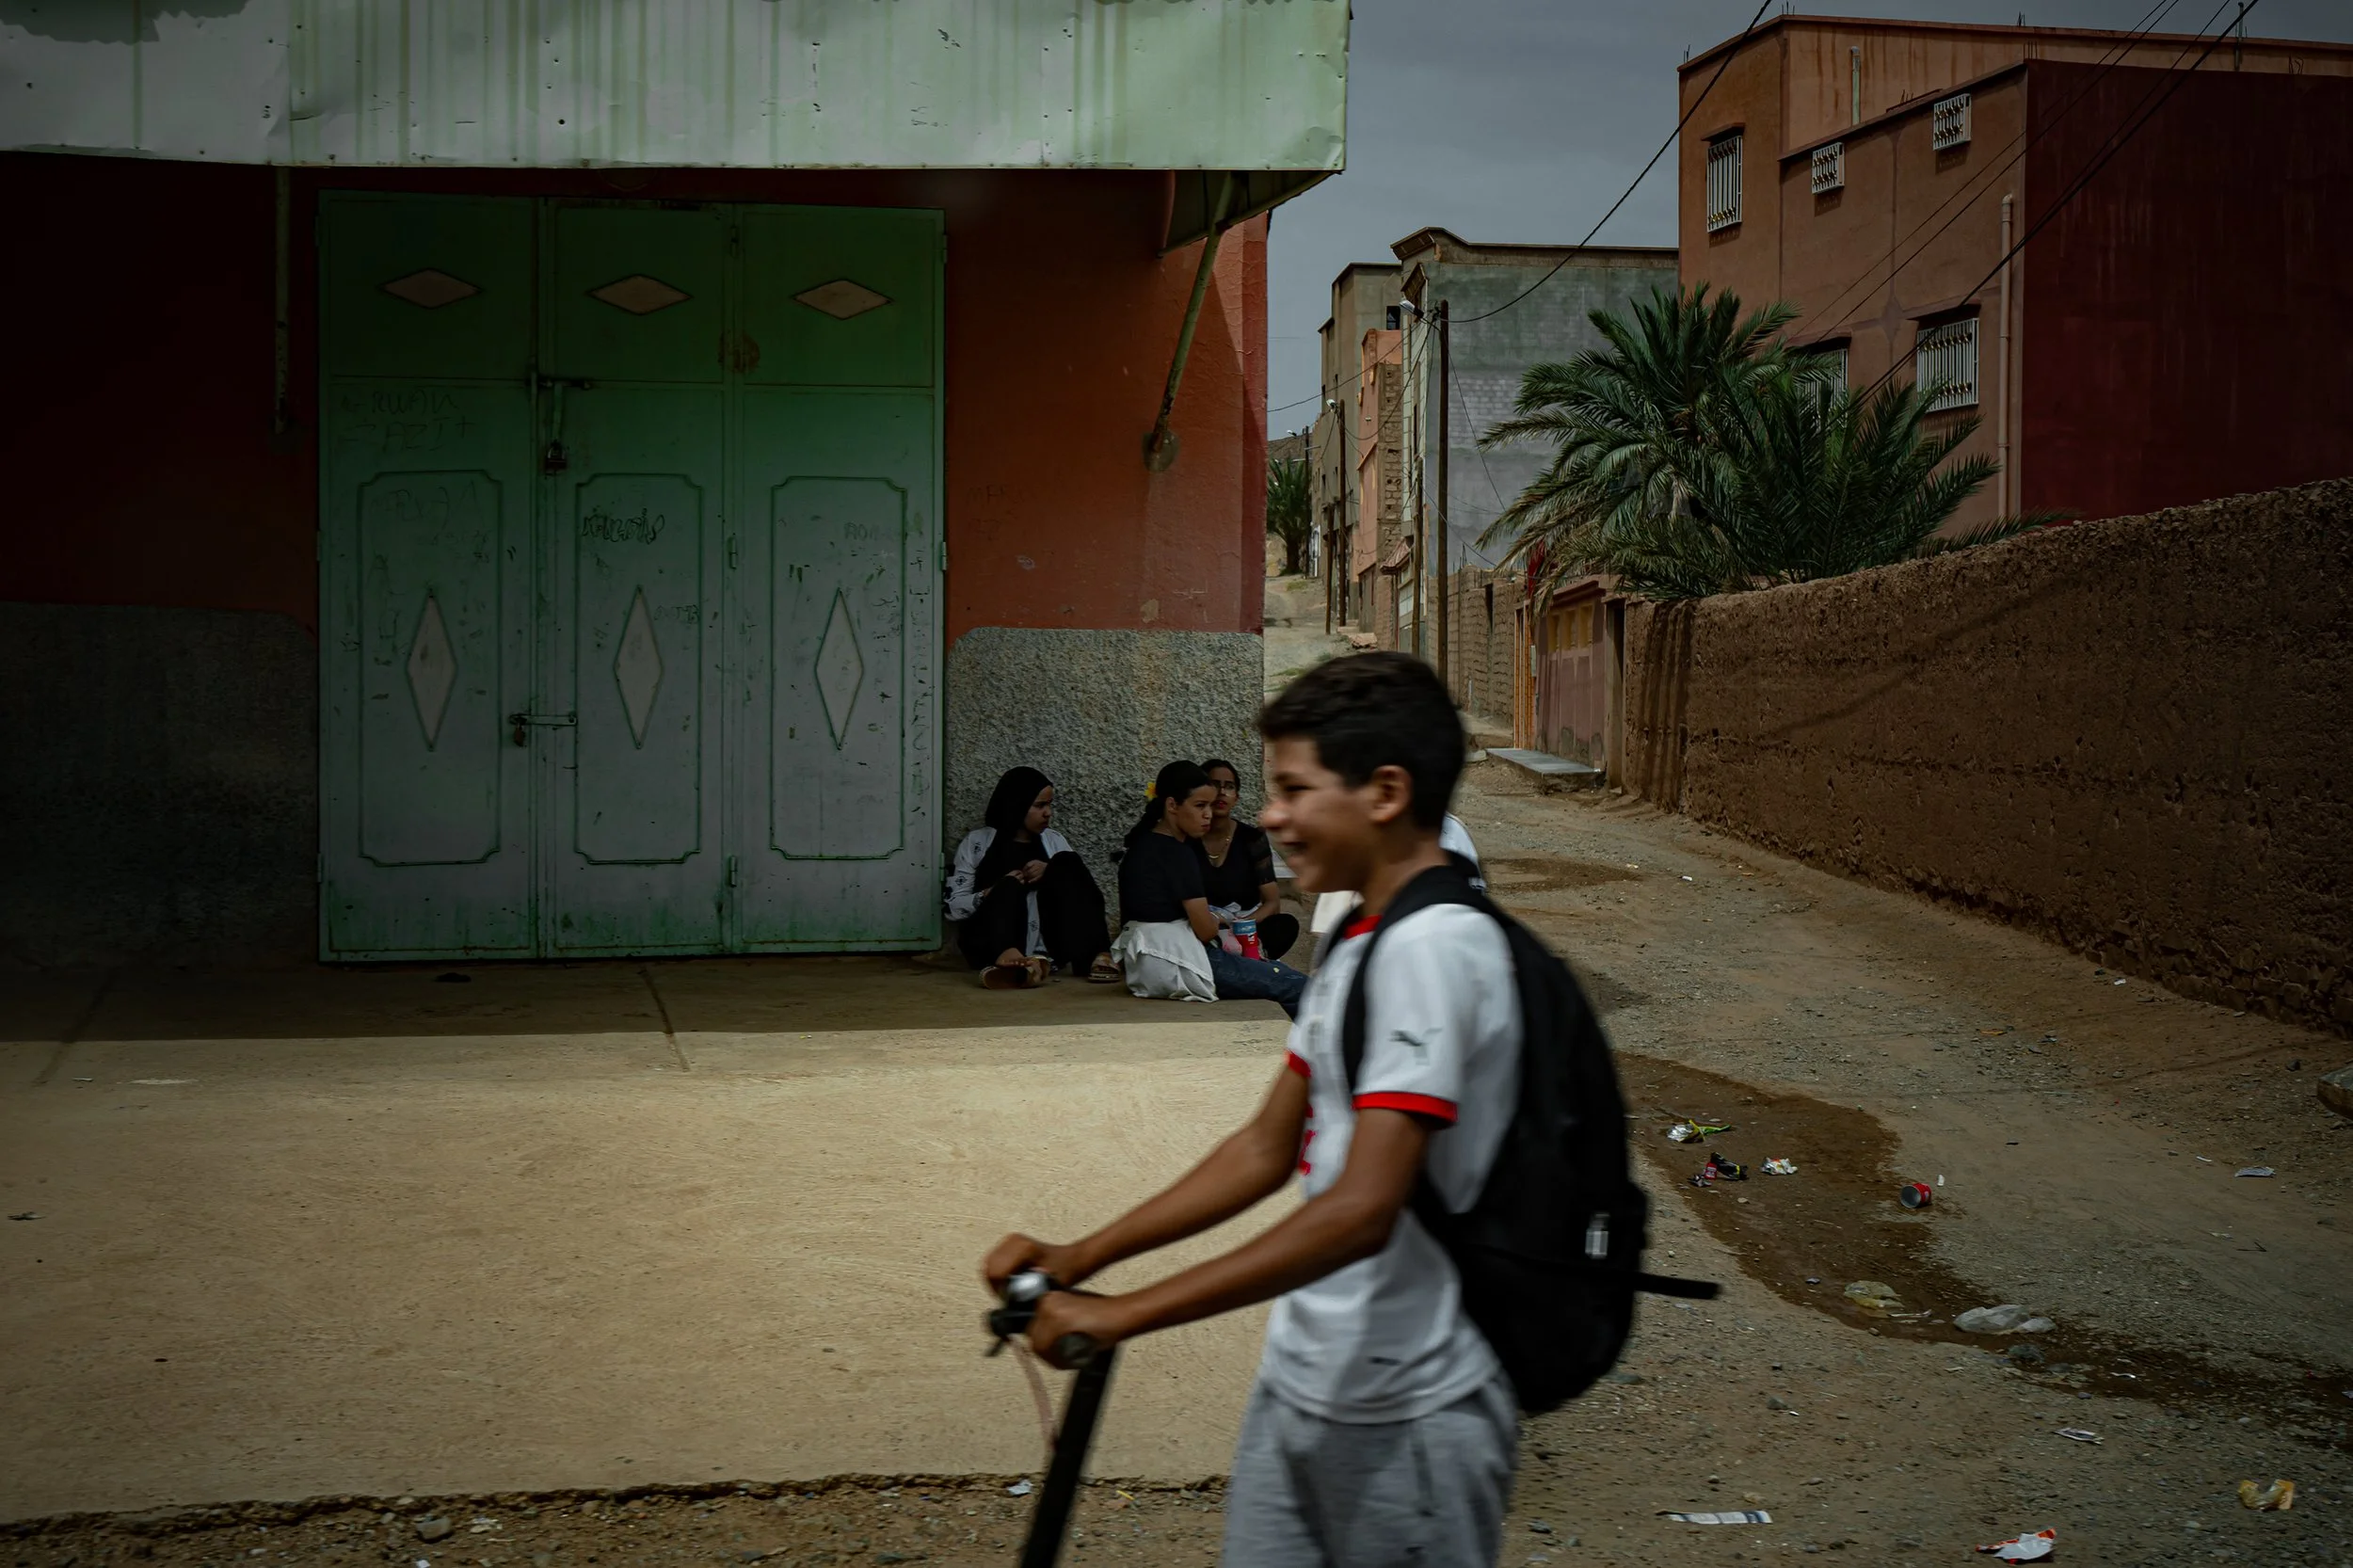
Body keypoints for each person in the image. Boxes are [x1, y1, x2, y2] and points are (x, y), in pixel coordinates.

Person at [985, 654, 1522, 1567]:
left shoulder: (1436, 952)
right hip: (1310, 1374)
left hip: (1409, 1410)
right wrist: (1084, 1255)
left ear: (1385, 791)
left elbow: (1360, 1210)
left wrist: (1128, 1314)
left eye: (1293, 790)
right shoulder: (1360, 945)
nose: (1265, 816)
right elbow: (1266, 1147)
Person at [1111, 760, 1307, 1015]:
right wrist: (1215, 919)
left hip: (1146, 967)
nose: (1208, 814)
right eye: (1200, 806)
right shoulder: (1177, 852)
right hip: (1180, 960)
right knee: (1298, 985)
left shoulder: (1143, 844)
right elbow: (1204, 931)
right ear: (1172, 805)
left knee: (1274, 977)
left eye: (1210, 806)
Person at [944, 766, 1119, 989]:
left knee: (1068, 862)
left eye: (1049, 805)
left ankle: (1097, 953)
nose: (1048, 813)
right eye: (1039, 806)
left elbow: (1080, 891)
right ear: (1016, 805)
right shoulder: (978, 843)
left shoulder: (1054, 842)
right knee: (1008, 884)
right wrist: (991, 892)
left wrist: (1051, 870)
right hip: (991, 940)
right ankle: (1009, 959)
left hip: (1051, 946)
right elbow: (953, 908)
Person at [1199, 757, 1300, 963]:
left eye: (1229, 787)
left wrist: (1241, 925)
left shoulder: (1252, 839)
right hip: (1202, 927)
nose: (1222, 792)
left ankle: (1241, 955)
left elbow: (1271, 902)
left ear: (1236, 797)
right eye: (1215, 785)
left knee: (1284, 925)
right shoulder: (1188, 839)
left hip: (1244, 927)